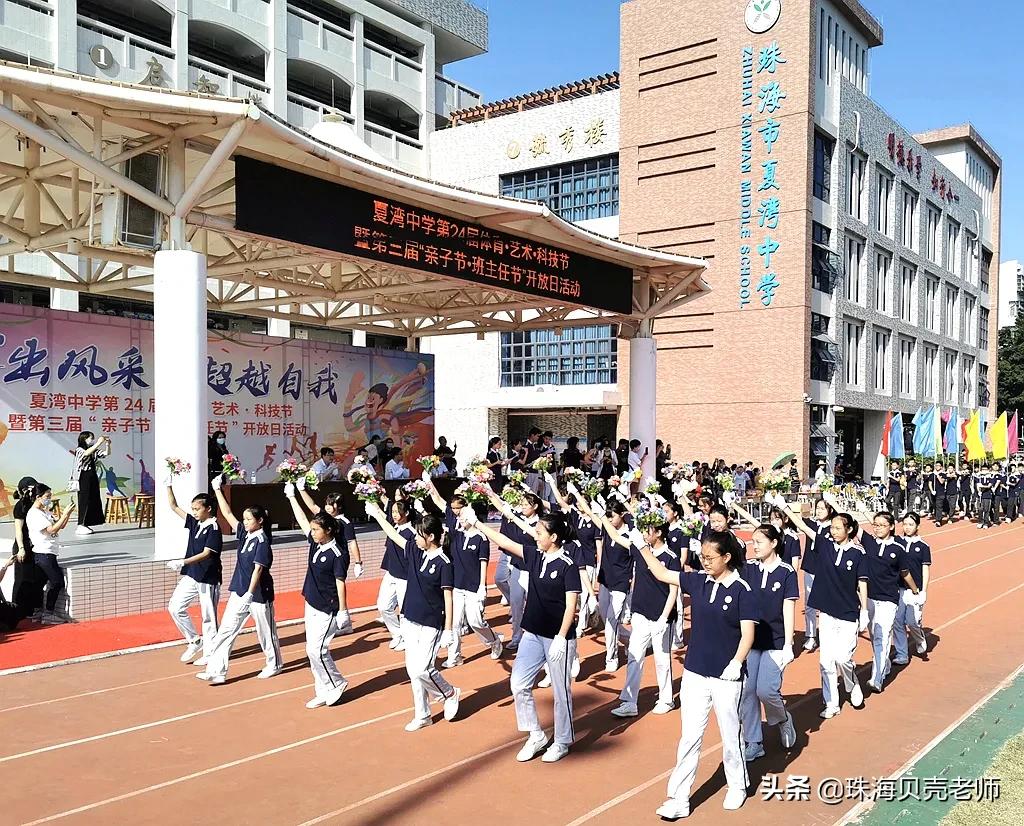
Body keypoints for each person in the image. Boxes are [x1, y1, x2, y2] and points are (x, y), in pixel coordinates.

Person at [636, 531, 756, 819]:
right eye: (702, 557)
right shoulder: (698, 581)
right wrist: (641, 546)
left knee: (730, 734)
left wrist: (736, 662)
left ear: (727, 557)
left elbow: (748, 634)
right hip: (695, 673)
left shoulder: (742, 590)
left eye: (710, 557)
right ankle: (678, 797)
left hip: (727, 677)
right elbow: (662, 573)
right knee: (689, 736)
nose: (705, 562)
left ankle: (737, 785)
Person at [468, 507, 581, 764]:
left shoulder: (568, 566)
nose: (535, 536)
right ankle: (536, 734)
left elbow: (571, 605)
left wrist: (561, 637)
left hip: (558, 638)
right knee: (518, 684)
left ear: (554, 537)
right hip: (532, 634)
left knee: (561, 692)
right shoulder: (534, 556)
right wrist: (477, 523)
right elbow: (505, 541)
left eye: (540, 533)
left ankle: (562, 741)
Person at [365, 503, 462, 731]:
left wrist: (449, 630)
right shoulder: (416, 553)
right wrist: (378, 515)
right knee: (412, 671)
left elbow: (448, 598)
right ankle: (423, 714)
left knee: (422, 669)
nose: (415, 538)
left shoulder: (444, 563)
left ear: (431, 537)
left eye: (419, 535)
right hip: (409, 619)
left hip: (430, 624)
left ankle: (449, 692)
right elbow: (393, 535)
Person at [784, 498, 868, 719]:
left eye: (838, 528)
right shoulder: (826, 545)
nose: (834, 531)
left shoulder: (858, 553)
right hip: (828, 613)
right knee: (826, 661)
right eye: (832, 527)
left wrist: (865, 611)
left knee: (843, 659)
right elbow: (803, 527)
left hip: (848, 613)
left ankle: (851, 682)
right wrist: (783, 506)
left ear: (849, 530)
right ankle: (832, 703)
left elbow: (862, 582)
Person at [200, 476, 283, 685]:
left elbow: (258, 569)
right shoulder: (245, 535)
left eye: (249, 519)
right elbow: (227, 513)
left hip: (258, 594)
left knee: (266, 632)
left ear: (260, 521)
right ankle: (217, 670)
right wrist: (217, 489)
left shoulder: (263, 541)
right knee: (226, 630)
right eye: (244, 519)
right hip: (238, 590)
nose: (245, 522)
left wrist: (250, 594)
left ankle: (274, 664)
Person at [601, 510, 679, 718]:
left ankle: (666, 699)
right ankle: (629, 701)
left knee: (662, 660)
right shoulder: (639, 549)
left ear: (659, 533)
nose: (644, 534)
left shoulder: (671, 558)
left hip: (661, 617)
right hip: (640, 614)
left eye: (648, 530)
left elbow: (674, 590)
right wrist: (601, 515)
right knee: (635, 657)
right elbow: (615, 535)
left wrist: (664, 617)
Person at [285, 483, 349, 708]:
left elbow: (340, 582)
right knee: (310, 650)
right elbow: (302, 519)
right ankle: (322, 690)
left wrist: (343, 611)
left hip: (327, 608)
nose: (312, 533)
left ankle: (337, 682)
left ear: (328, 530)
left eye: (316, 530)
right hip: (311, 602)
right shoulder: (315, 544)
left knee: (317, 650)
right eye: (312, 530)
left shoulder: (337, 554)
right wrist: (292, 496)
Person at [738, 524, 798, 762]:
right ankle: (754, 742)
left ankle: (782, 718)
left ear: (773, 543)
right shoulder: (749, 568)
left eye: (759, 542)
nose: (754, 546)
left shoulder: (786, 572)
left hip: (776, 641)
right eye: (753, 542)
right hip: (752, 640)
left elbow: (788, 608)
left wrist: (788, 644)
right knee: (748, 691)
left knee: (766, 690)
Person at [857, 510, 920, 692]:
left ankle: (876, 678)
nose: (878, 528)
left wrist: (915, 590)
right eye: (875, 525)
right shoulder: (869, 542)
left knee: (882, 637)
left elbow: (905, 573)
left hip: (888, 600)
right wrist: (833, 502)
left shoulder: (898, 549)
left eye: (882, 525)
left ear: (891, 527)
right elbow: (850, 524)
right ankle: (885, 664)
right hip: (869, 598)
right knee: (874, 636)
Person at [165, 481, 222, 667]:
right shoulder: (195, 523)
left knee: (208, 616)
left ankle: (211, 653)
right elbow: (174, 506)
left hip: (208, 577)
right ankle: (194, 640)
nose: (194, 512)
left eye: (197, 509)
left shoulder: (214, 528)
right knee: (175, 607)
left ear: (208, 509)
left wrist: (183, 561)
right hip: (192, 574)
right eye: (193, 509)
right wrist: (168, 485)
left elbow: (207, 553)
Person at [295, 483, 364, 633]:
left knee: (335, 585)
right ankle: (344, 622)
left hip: (338, 558)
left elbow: (352, 542)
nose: (327, 507)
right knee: (331, 586)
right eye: (326, 503)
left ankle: (340, 616)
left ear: (339, 506)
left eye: (331, 504)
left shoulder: (345, 523)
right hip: (325, 552)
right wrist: (301, 490)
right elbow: (312, 506)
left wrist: (358, 562)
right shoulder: (325, 519)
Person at [444, 503, 503, 667]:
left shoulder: (481, 539)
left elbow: (483, 563)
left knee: (475, 621)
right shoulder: (457, 535)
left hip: (473, 587)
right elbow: (445, 507)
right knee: (455, 623)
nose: (461, 519)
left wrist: (482, 586)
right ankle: (454, 656)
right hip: (457, 586)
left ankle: (494, 640)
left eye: (464, 516)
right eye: (460, 516)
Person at [24, 484, 76, 623]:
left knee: (40, 582)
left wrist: (67, 514)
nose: (49, 499)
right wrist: (64, 514)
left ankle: (38, 611)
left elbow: (59, 526)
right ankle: (48, 613)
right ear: (38, 497)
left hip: (48, 552)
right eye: (47, 496)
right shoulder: (34, 514)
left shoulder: (44, 512)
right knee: (57, 582)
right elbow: (51, 530)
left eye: (50, 496)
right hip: (44, 553)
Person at [2, 477, 45, 623]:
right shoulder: (20, 506)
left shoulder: (37, 504)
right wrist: (21, 548)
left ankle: (32, 609)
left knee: (35, 578)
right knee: (22, 579)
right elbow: (18, 530)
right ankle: (17, 611)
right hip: (23, 546)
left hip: (36, 545)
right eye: (31, 489)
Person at [893, 512, 931, 664]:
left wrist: (924, 591)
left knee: (912, 621)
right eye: (905, 524)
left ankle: (920, 638)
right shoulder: (897, 542)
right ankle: (902, 654)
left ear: (917, 526)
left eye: (911, 524)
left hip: (915, 590)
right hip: (899, 588)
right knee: (897, 621)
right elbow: (881, 526)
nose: (907, 527)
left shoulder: (923, 546)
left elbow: (925, 569)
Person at [377, 497, 414, 650]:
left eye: (397, 512)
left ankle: (406, 638)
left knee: (404, 611)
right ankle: (397, 634)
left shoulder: (411, 533)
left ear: (406, 513)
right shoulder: (393, 527)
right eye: (392, 512)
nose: (394, 515)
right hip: (391, 574)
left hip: (405, 577)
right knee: (383, 606)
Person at [800, 498, 836, 652]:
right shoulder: (811, 524)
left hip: (825, 571)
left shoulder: (833, 528)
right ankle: (811, 636)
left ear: (830, 510)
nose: (819, 511)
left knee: (826, 605)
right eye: (818, 508)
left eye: (823, 508)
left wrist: (833, 501)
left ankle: (828, 636)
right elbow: (799, 517)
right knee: (809, 605)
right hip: (810, 568)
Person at [72, 431, 109, 535]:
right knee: (84, 500)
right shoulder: (79, 450)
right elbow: (86, 453)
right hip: (83, 477)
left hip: (92, 476)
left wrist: (107, 444)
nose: (92, 440)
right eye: (90, 438)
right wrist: (99, 442)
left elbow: (106, 454)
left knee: (93, 499)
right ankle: (80, 524)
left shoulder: (93, 450)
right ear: (84, 439)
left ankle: (87, 523)